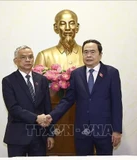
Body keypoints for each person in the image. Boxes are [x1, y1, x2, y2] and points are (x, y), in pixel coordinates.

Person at [44, 39, 123, 155]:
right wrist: (51, 116)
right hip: (82, 130)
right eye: (85, 52)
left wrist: (117, 130)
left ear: (100, 55)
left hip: (104, 130)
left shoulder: (111, 73)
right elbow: (68, 99)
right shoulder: (76, 74)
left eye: (92, 52)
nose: (89, 55)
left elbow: (116, 103)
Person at [34, 9, 84, 155]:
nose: (68, 28)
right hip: (54, 118)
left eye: (71, 23)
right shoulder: (45, 55)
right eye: (63, 24)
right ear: (56, 28)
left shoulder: (87, 54)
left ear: (77, 27)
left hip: (82, 116)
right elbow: (38, 93)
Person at [2, 45, 54, 157]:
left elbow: (47, 108)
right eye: (23, 57)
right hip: (17, 136)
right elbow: (13, 108)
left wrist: (50, 134)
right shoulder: (8, 81)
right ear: (16, 61)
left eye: (30, 57)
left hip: (39, 136)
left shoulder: (42, 80)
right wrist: (36, 118)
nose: (28, 60)